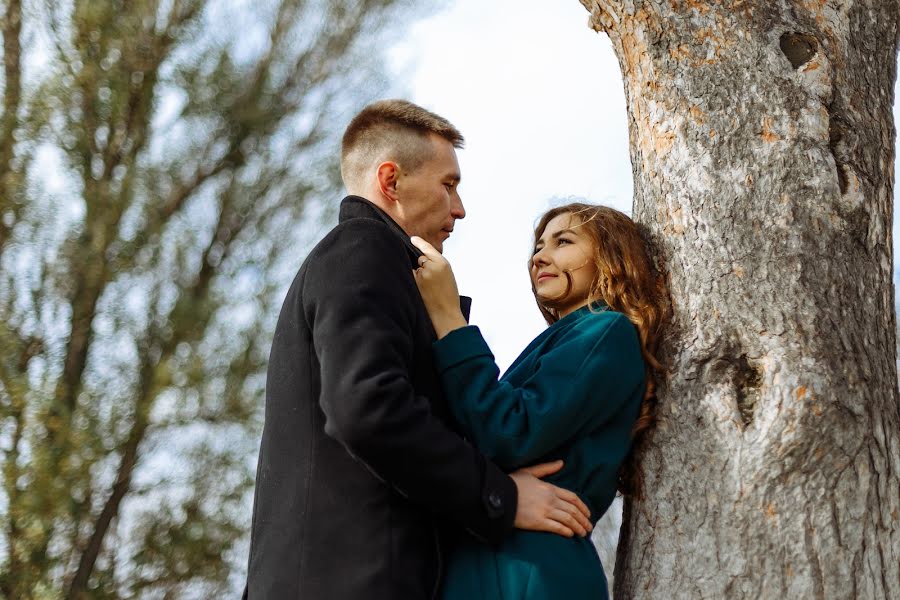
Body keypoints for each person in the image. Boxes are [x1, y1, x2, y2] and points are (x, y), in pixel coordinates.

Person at [243, 100, 594, 599]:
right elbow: (368, 408)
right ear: (390, 181)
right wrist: (499, 496)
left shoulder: (379, 265)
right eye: (448, 184)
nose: (460, 208)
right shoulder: (363, 248)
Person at [411, 202, 667, 599]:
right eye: (538, 247)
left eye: (563, 241)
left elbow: (509, 431)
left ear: (612, 257)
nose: (539, 257)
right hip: (500, 559)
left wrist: (448, 319)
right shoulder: (566, 340)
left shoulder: (605, 331)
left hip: (529, 569)